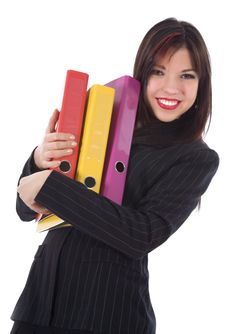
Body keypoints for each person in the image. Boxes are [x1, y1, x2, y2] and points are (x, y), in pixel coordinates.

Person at [10, 17, 219, 334]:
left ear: (202, 84)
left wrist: (49, 186)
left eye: (186, 76)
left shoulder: (195, 158)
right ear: (142, 74)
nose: (171, 88)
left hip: (107, 315)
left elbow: (141, 235)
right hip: (40, 305)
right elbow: (26, 210)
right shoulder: (103, 121)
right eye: (157, 72)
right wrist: (41, 159)